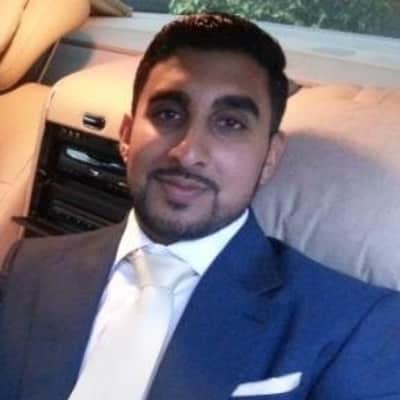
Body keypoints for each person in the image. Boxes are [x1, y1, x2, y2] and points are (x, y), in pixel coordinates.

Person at [1, 12, 400, 400]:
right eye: (168, 114)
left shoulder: (355, 324)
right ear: (125, 136)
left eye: (230, 123)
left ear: (270, 157)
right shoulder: (29, 267)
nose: (188, 152)